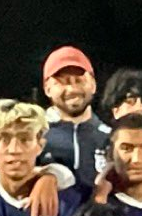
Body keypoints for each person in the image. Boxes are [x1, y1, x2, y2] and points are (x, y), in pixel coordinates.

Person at [41, 45, 113, 187]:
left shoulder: (112, 137)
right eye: (63, 82)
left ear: (93, 85)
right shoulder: (33, 135)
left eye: (79, 81)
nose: (72, 89)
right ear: (47, 89)